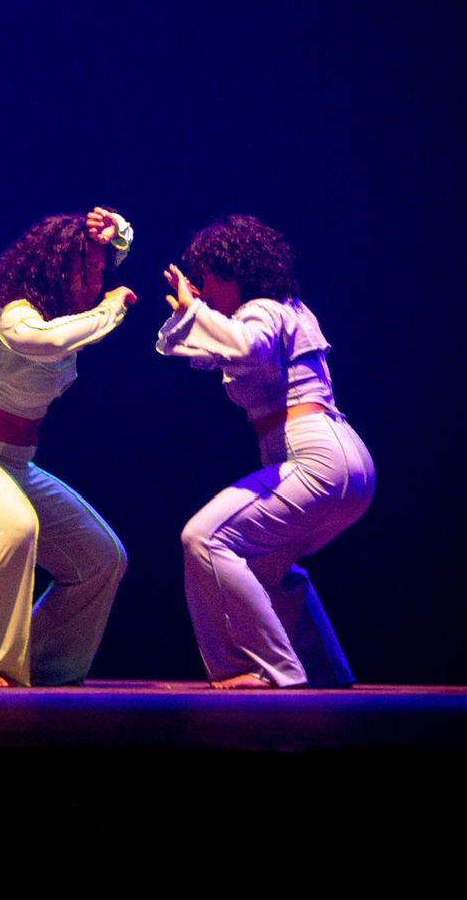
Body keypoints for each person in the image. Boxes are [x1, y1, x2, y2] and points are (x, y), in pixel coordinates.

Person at [157, 214, 374, 689]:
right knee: (263, 567)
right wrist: (192, 314)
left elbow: (247, 347)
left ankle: (266, 668)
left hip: (314, 457)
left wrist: (195, 312)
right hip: (346, 464)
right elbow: (199, 351)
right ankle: (322, 670)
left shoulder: (261, 312)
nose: (204, 289)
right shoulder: (286, 309)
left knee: (204, 538)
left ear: (235, 273)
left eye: (209, 278)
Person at [0, 206, 135, 687]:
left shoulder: (66, 317)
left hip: (15, 465)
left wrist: (116, 232)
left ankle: (40, 664)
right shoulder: (15, 314)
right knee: (14, 528)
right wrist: (112, 306)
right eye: (85, 269)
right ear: (54, 269)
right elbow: (51, 342)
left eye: (100, 272)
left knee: (101, 557)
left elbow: (115, 255)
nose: (95, 281)